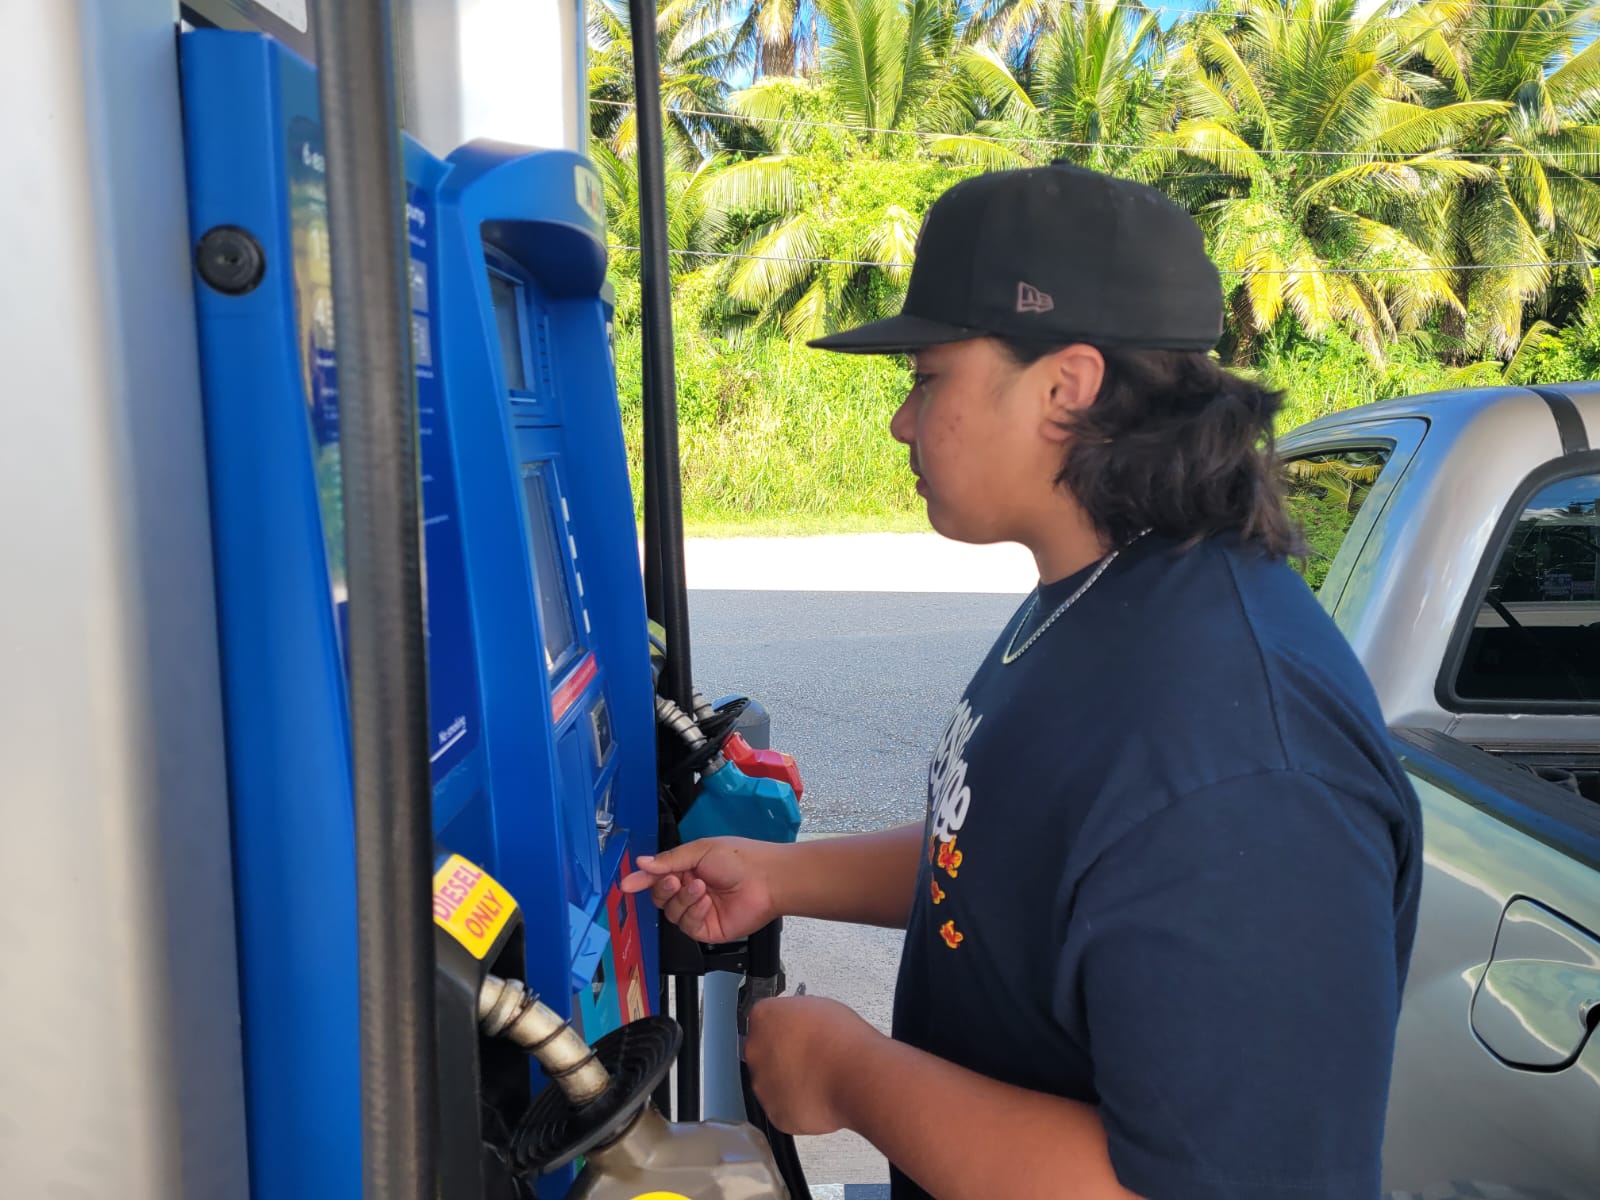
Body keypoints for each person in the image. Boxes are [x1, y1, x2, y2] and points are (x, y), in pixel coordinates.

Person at [621, 161, 1423, 1200]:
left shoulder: (1245, 762)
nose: (903, 422)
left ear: (1065, 387)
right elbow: (1016, 857)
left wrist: (851, 1075)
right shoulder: (1100, 598)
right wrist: (782, 876)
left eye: (927, 376)